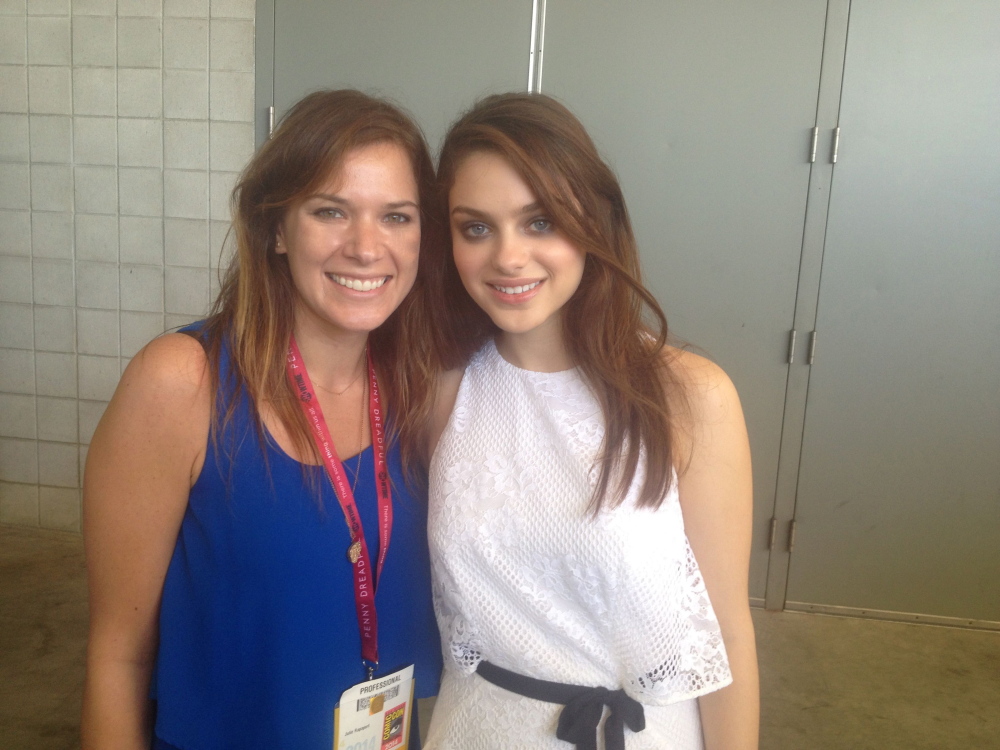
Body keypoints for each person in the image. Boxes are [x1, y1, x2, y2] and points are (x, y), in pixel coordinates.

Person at [81, 90, 444, 750]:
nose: (367, 247)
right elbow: (118, 656)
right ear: (276, 229)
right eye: (331, 211)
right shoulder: (183, 384)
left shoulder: (425, 391)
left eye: (396, 216)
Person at [423, 93, 759, 750]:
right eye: (476, 228)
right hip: (476, 730)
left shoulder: (689, 395)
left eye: (539, 222)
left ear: (593, 223)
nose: (508, 257)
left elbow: (728, 634)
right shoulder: (443, 387)